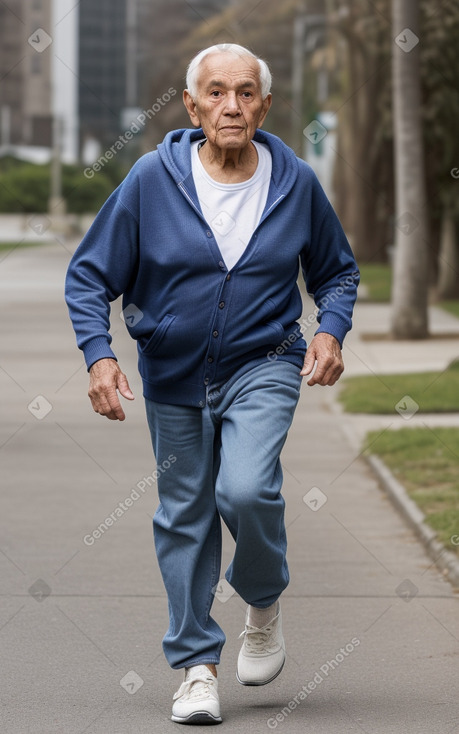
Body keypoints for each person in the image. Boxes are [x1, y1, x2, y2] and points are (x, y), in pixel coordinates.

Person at [65, 43, 359, 725]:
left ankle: (261, 599)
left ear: (265, 104)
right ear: (193, 106)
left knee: (246, 488)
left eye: (247, 92)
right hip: (172, 375)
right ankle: (196, 669)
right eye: (218, 93)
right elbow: (89, 275)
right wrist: (98, 356)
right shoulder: (148, 179)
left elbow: (336, 271)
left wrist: (328, 331)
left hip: (265, 363)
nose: (233, 105)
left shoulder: (295, 182)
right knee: (185, 517)